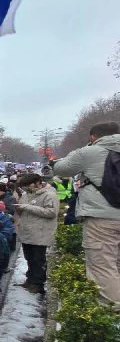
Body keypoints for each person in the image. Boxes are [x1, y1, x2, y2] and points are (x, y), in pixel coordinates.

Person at [50, 121, 120, 308]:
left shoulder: (90, 152)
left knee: (103, 265)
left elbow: (61, 168)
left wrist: (84, 149)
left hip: (102, 216)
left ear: (93, 137)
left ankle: (111, 314)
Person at [14, 173, 60, 295]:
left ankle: (38, 284)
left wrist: (28, 207)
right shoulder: (26, 194)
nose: (25, 189)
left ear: (36, 183)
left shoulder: (49, 194)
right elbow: (23, 208)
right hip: (27, 232)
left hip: (40, 233)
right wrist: (19, 208)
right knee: (29, 258)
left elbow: (51, 212)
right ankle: (30, 279)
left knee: (38, 259)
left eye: (27, 186)